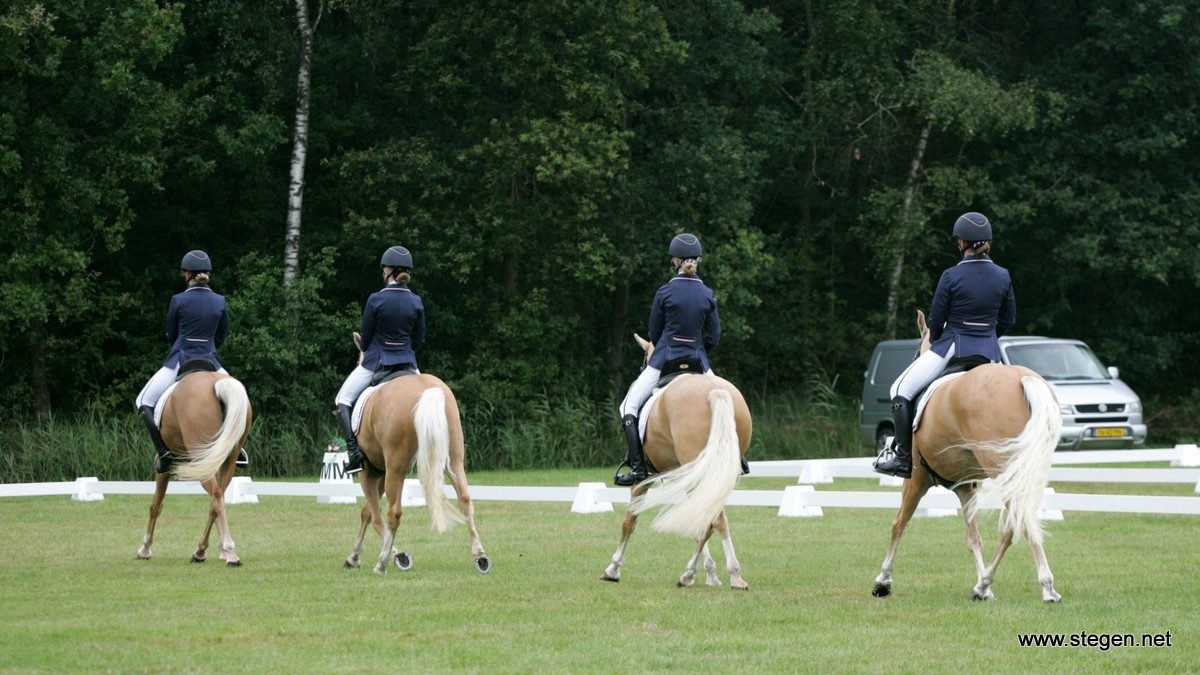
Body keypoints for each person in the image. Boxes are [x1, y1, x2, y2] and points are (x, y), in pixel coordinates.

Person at [874, 212, 1016, 478]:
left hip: (953, 344)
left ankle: (903, 460)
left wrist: (937, 340)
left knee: (900, 389)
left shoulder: (951, 276)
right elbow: (1008, 319)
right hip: (990, 351)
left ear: (962, 243)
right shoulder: (1003, 275)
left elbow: (936, 321)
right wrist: (987, 336)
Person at [613, 233, 721, 486]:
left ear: (675, 261)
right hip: (699, 361)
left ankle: (639, 468)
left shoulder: (665, 292)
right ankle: (739, 459)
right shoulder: (707, 294)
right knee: (725, 400)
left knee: (627, 407)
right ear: (698, 261)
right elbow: (714, 336)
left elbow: (654, 333)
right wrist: (699, 351)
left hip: (664, 360)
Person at [134, 250, 240, 473]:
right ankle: (237, 451)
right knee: (237, 400)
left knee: (143, 401)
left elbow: (171, 335)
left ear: (187, 275)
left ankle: (164, 454)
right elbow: (222, 336)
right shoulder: (220, 301)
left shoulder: (178, 300)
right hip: (211, 359)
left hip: (180, 360)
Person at [335, 246, 425, 474]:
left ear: (389, 271)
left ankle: (354, 453)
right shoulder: (416, 301)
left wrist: (372, 347)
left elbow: (364, 343)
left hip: (377, 362)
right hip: (409, 365)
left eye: (384, 267)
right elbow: (419, 339)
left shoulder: (376, 299)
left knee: (342, 399)